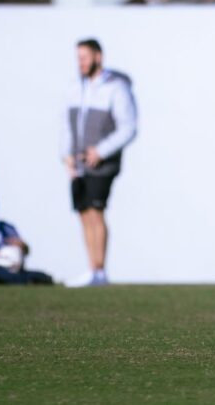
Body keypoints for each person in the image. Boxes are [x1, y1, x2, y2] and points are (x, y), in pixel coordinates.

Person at [61, 38, 137, 287]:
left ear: (97, 56)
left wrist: (101, 151)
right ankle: (91, 268)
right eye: (77, 58)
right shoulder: (76, 87)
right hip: (79, 164)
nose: (80, 63)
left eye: (84, 57)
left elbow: (128, 127)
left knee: (96, 211)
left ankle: (100, 270)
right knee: (84, 212)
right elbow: (67, 125)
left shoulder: (116, 88)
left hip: (101, 164)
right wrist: (67, 155)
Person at [0, 193, 53, 285]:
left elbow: (26, 250)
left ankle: (20, 279)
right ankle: (20, 281)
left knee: (40, 275)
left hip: (11, 268)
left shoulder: (6, 228)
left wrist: (20, 245)